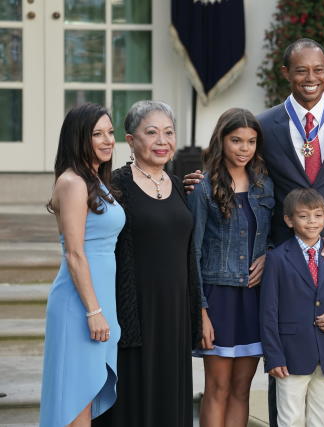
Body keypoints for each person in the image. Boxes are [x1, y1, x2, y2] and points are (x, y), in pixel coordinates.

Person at [185, 38, 324, 427]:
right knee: (282, 372)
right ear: (286, 73)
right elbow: (241, 173)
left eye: (318, 69)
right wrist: (199, 180)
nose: (311, 78)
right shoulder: (263, 125)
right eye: (301, 70)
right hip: (282, 270)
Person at [93, 101, 204, 427]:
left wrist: (198, 312)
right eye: (151, 132)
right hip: (134, 312)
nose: (162, 140)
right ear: (131, 139)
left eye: (168, 132)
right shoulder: (114, 186)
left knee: (171, 395)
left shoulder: (180, 186)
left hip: (175, 313)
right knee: (134, 397)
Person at [40, 103, 125, 426]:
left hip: (99, 299)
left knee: (85, 398)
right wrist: (93, 310)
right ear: (78, 139)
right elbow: (74, 253)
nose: (107, 140)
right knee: (74, 399)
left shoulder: (94, 180)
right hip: (79, 305)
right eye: (97, 134)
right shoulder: (73, 182)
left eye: (110, 133)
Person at [189, 108, 274, 427]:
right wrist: (201, 312)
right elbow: (193, 253)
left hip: (254, 299)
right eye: (236, 140)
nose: (244, 148)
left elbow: (276, 236)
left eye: (251, 141)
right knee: (217, 388)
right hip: (218, 299)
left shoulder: (265, 186)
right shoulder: (203, 189)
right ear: (221, 140)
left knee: (242, 389)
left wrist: (268, 256)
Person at [260, 188, 324, 427]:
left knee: (323, 420)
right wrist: (273, 356)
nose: (311, 222)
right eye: (303, 216)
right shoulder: (278, 258)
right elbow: (268, 311)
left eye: (317, 215)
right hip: (290, 356)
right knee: (290, 419)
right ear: (289, 220)